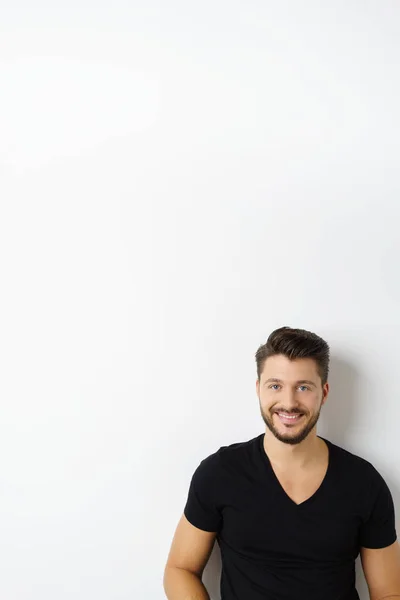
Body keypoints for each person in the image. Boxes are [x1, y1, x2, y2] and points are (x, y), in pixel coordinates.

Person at [163, 326, 400, 600]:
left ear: (323, 393)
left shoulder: (364, 482)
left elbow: (388, 593)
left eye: (303, 387)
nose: (289, 402)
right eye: (275, 386)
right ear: (259, 390)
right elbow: (180, 568)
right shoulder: (220, 473)